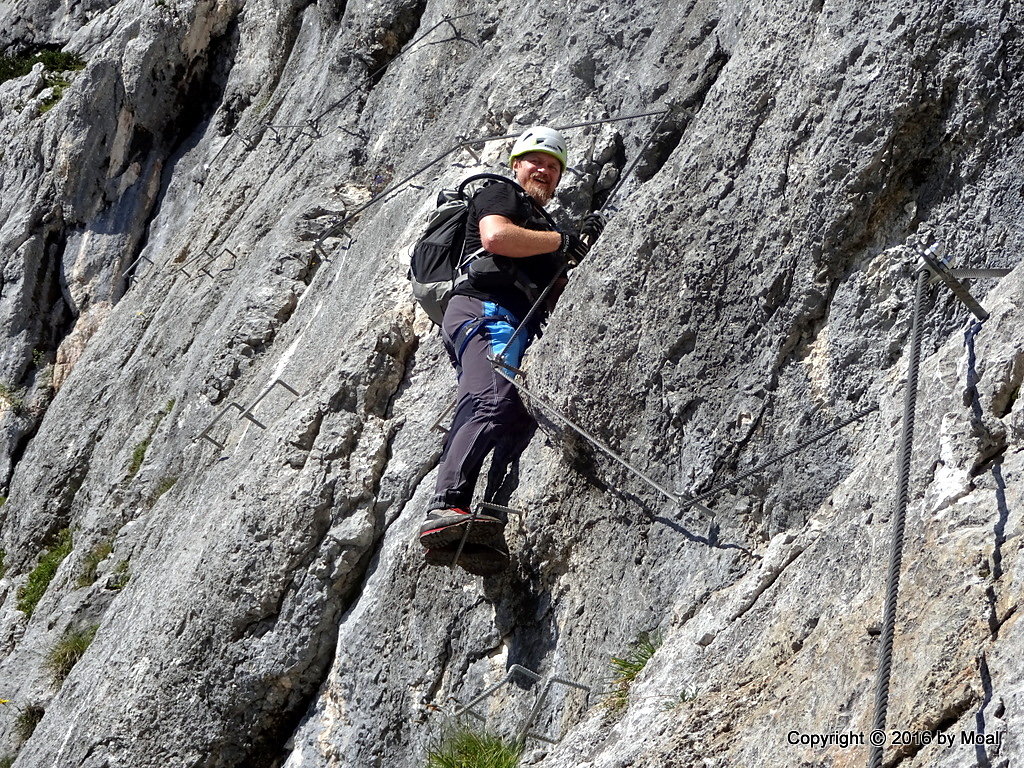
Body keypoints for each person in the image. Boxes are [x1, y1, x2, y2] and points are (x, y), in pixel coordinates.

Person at [418, 126, 604, 576]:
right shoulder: (499, 193)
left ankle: (485, 523)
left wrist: (582, 253)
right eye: (535, 160)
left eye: (553, 166)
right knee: (491, 398)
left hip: (514, 320)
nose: (544, 169)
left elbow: (553, 289)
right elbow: (496, 239)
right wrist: (563, 242)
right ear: (516, 165)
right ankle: (447, 505)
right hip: (484, 309)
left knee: (517, 418)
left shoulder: (542, 227)